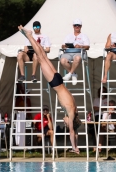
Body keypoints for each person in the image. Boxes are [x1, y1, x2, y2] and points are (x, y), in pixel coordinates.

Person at [18, 25, 81, 154]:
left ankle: (29, 37)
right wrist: (75, 147)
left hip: (59, 80)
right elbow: (73, 131)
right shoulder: (71, 114)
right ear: (71, 121)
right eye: (66, 123)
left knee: (43, 56)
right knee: (41, 58)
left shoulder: (75, 109)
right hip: (55, 83)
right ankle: (30, 36)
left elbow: (76, 130)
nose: (64, 122)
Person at [60, 19, 90, 85]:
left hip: (79, 52)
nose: (77, 27)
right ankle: (73, 74)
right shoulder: (68, 36)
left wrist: (80, 46)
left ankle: (70, 74)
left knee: (78, 58)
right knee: (62, 60)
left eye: (78, 25)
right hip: (68, 52)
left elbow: (87, 47)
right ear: (73, 26)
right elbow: (62, 45)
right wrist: (65, 46)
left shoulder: (84, 36)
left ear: (81, 26)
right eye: (75, 25)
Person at [90, 87, 107, 151]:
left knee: (102, 129)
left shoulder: (108, 99)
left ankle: (100, 145)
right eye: (101, 91)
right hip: (98, 115)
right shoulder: (96, 99)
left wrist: (100, 108)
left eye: (104, 91)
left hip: (106, 115)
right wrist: (104, 108)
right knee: (96, 129)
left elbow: (111, 108)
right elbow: (95, 108)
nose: (103, 92)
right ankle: (96, 146)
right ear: (99, 92)